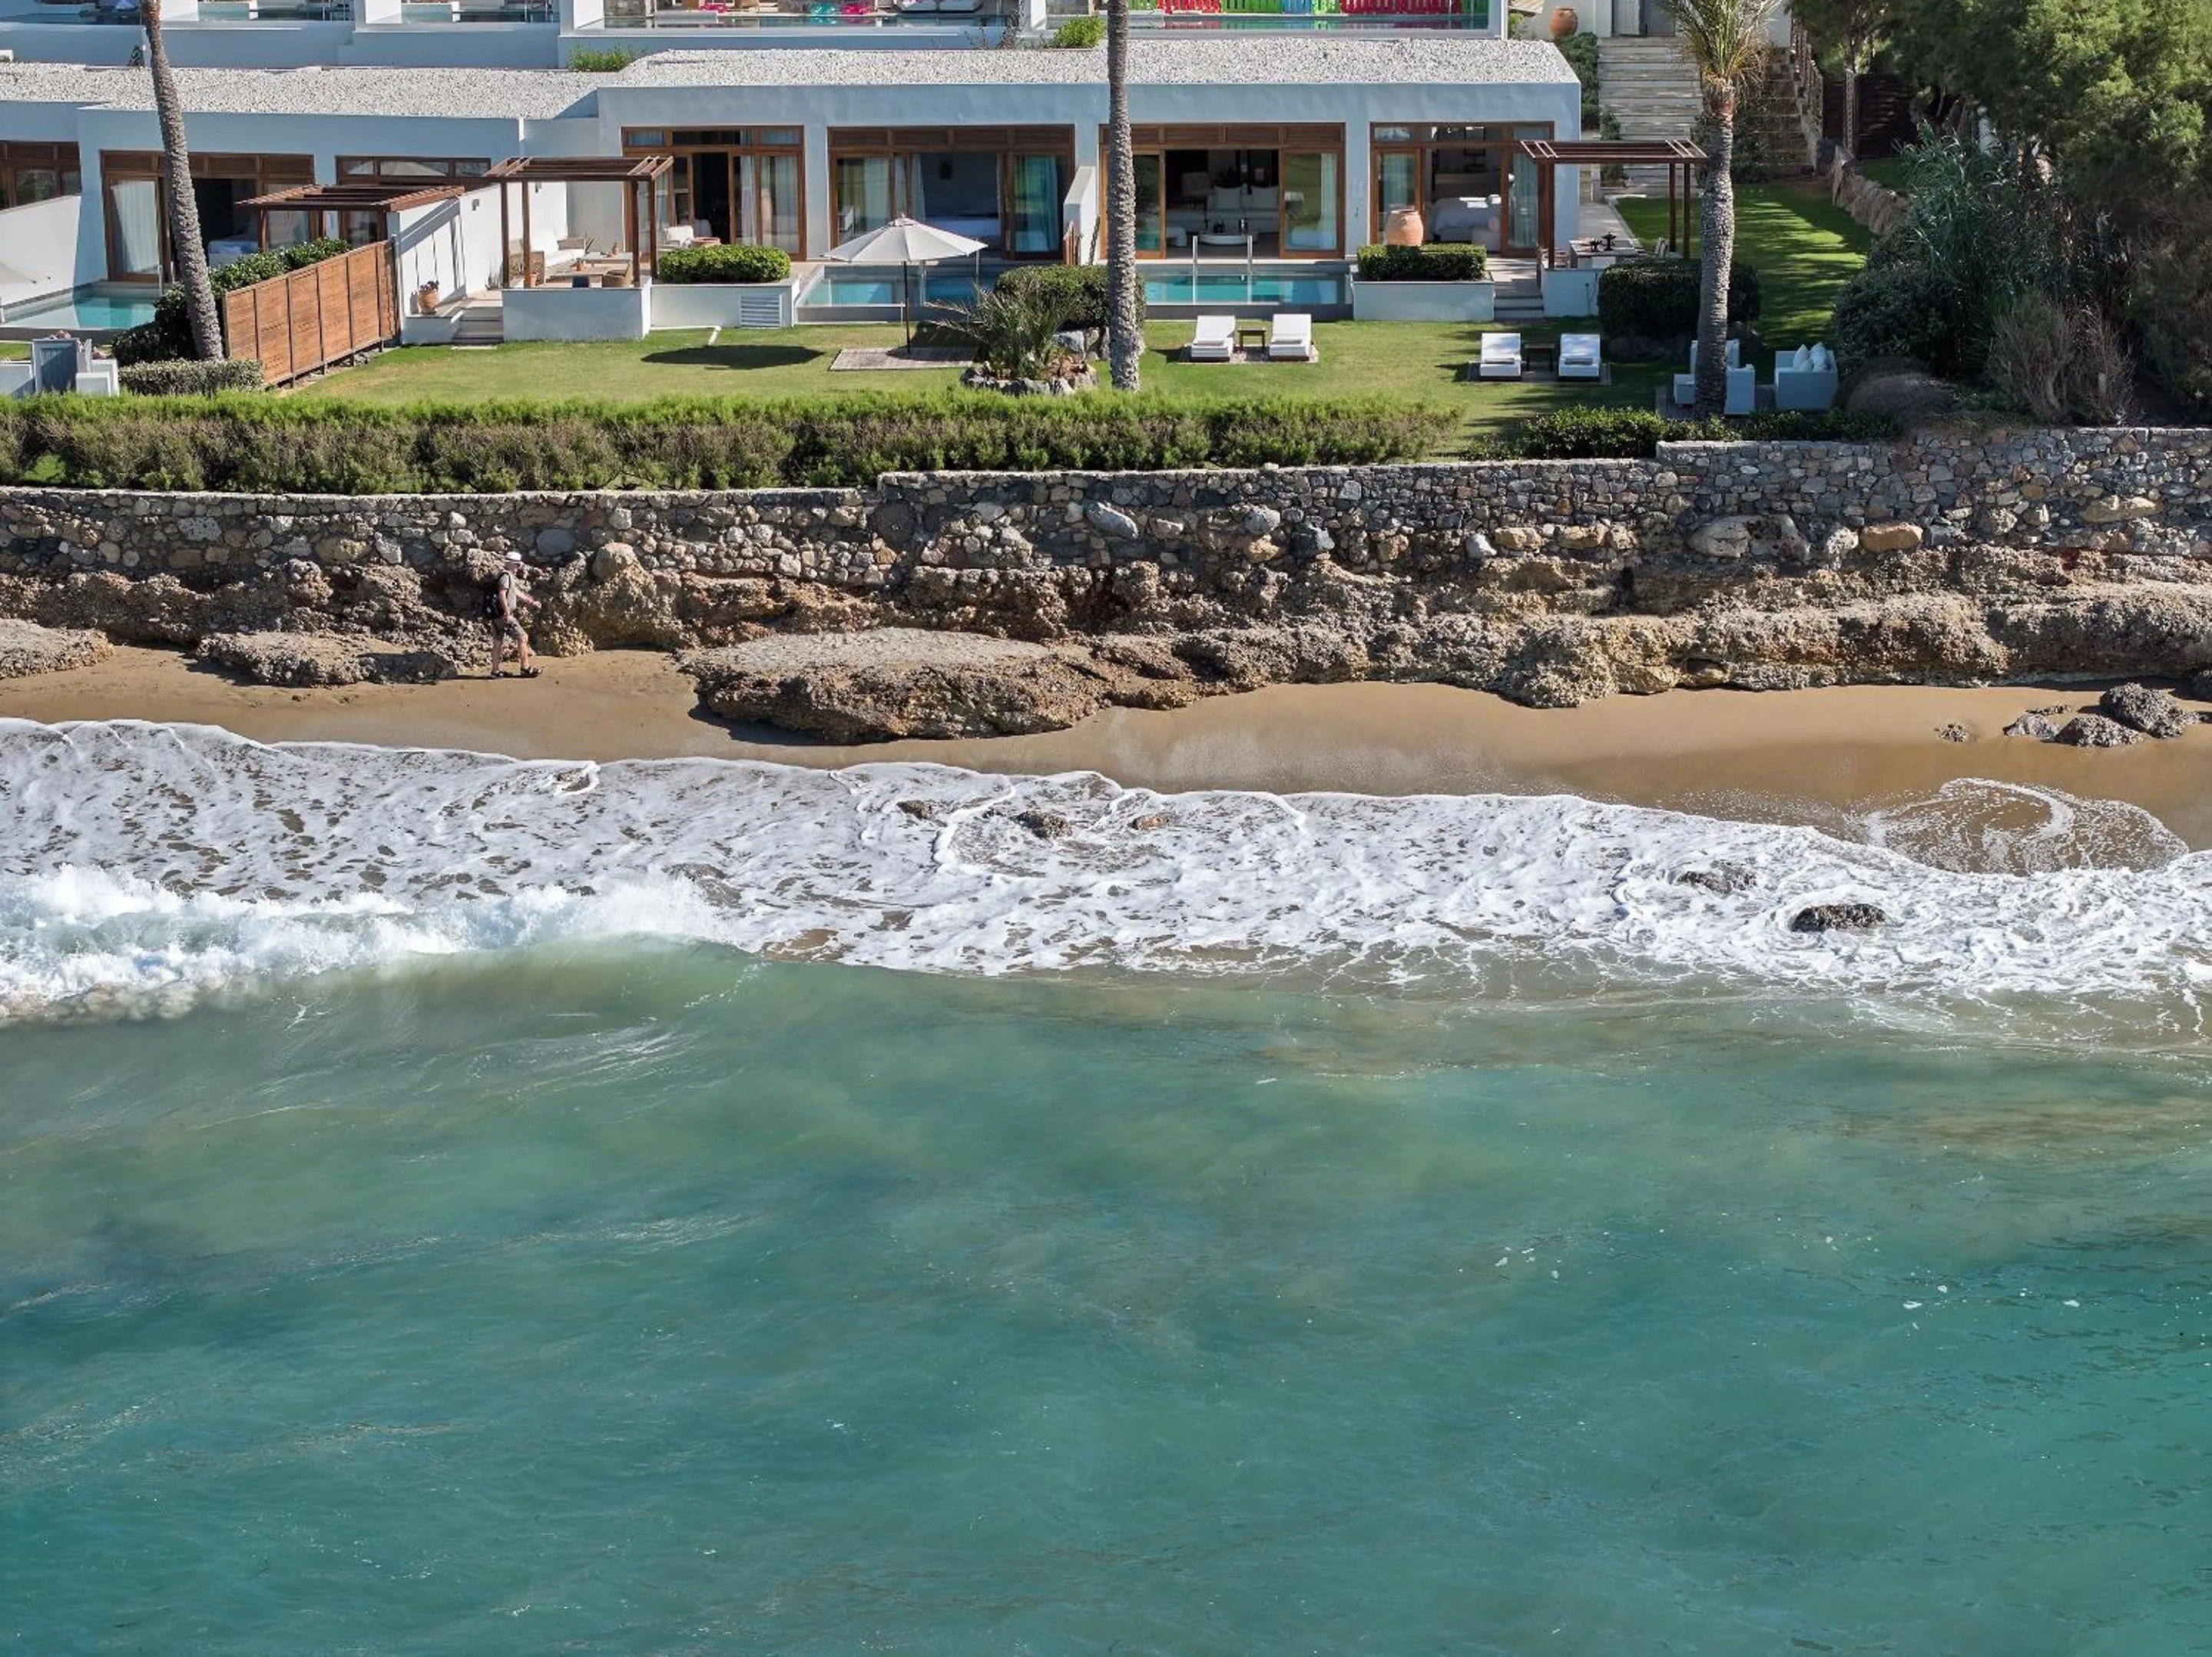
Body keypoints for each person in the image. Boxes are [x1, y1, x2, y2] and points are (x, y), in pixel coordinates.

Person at [488, 551, 542, 680]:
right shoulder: (506, 576)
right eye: (517, 565)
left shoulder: (501, 575)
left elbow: (516, 592)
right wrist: (507, 614)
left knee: (498, 642)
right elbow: (502, 595)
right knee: (523, 637)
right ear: (511, 564)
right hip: (504, 615)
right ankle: (525, 668)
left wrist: (531, 601)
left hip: (496, 615)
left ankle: (495, 671)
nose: (519, 568)